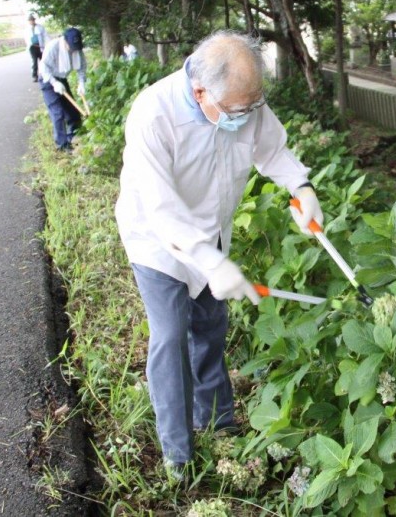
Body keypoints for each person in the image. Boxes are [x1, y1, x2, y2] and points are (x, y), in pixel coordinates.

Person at [114, 30, 323, 477]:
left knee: (209, 327)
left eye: (251, 107)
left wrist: (301, 188)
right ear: (200, 90)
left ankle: (217, 420)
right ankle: (178, 451)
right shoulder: (154, 113)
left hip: (213, 235)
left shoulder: (243, 101)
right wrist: (209, 262)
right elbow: (162, 210)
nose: (245, 117)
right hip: (158, 243)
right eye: (236, 111)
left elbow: (274, 150)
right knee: (171, 336)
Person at [39, 27, 86, 151]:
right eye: (70, 46)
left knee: (73, 111)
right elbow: (44, 68)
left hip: (61, 79)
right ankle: (62, 145)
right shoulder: (53, 47)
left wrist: (81, 83)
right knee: (58, 113)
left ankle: (74, 137)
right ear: (64, 40)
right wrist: (54, 83)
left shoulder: (77, 49)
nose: (72, 50)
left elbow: (81, 68)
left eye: (75, 47)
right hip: (48, 80)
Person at [25, 14, 48, 82]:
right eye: (30, 20)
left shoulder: (40, 27)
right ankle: (35, 76)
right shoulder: (27, 29)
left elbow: (45, 35)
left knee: (43, 61)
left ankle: (44, 74)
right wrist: (30, 44)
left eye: (32, 20)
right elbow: (26, 39)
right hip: (32, 47)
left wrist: (48, 43)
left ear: (34, 20)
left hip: (40, 46)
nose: (31, 21)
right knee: (34, 61)